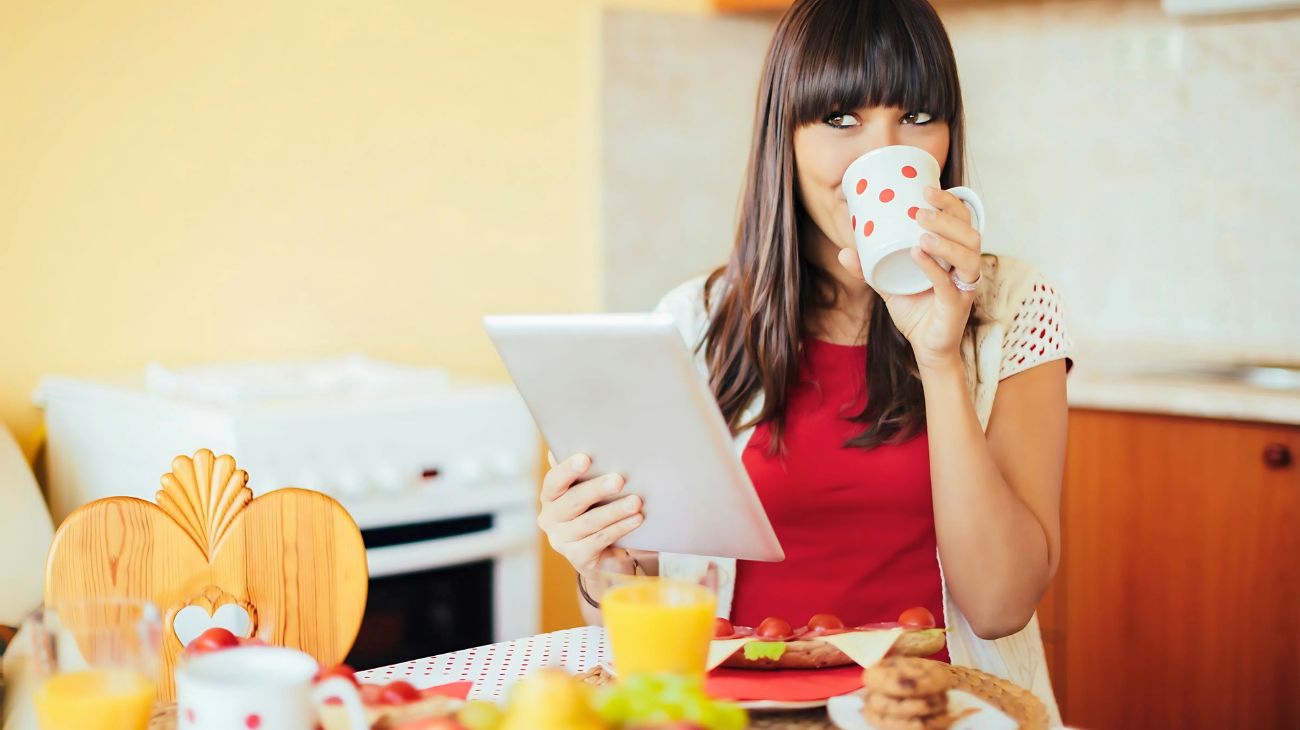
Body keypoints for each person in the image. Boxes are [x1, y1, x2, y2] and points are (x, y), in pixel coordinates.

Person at [536, 0, 1069, 718]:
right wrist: (605, 571)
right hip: (735, 712)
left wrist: (939, 355)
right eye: (840, 118)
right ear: (781, 138)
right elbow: (649, 621)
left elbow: (1001, 604)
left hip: (936, 712)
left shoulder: (1015, 304)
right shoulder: (692, 323)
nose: (877, 156)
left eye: (916, 116)